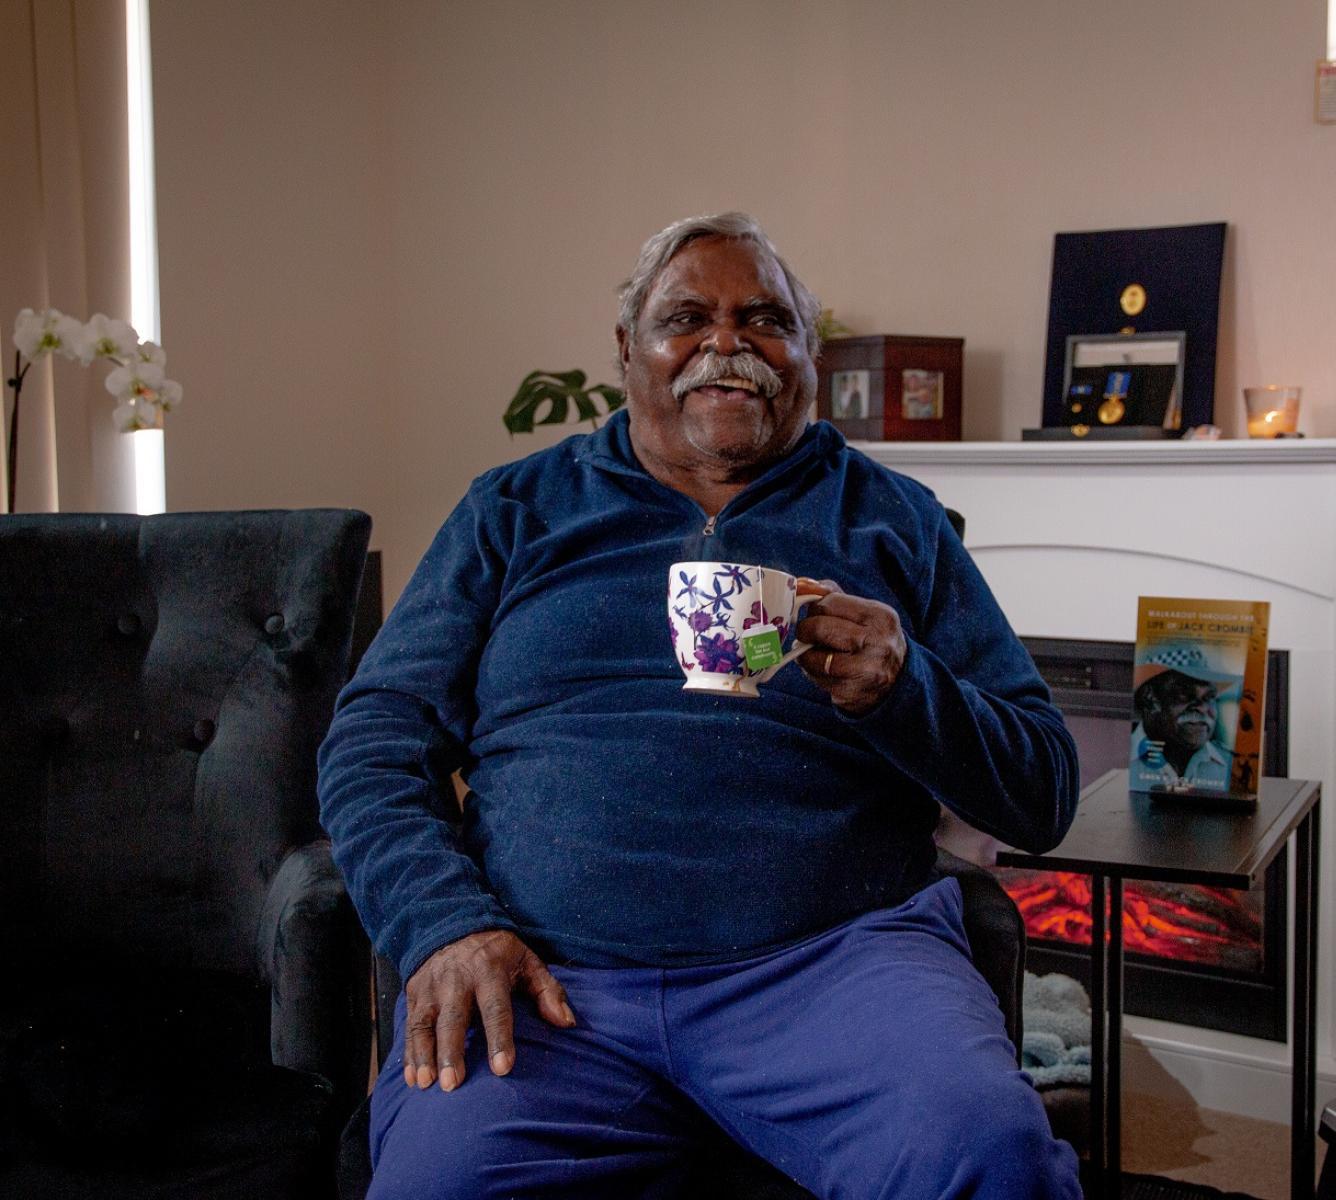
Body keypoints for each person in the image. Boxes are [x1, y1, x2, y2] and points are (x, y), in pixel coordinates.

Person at [318, 212, 1082, 1200]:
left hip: (836, 967)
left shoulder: (895, 521)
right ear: (627, 353)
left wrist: (908, 689)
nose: (729, 344)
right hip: (553, 982)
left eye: (766, 320)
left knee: (992, 1156)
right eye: (688, 318)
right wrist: (443, 925)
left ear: (809, 355)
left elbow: (1044, 791)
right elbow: (373, 744)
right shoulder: (513, 511)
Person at [1130, 647, 1236, 790]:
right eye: (1185, 694)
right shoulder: (1120, 762)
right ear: (1150, 699)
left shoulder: (1233, 767)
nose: (1202, 708)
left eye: (1209, 697)